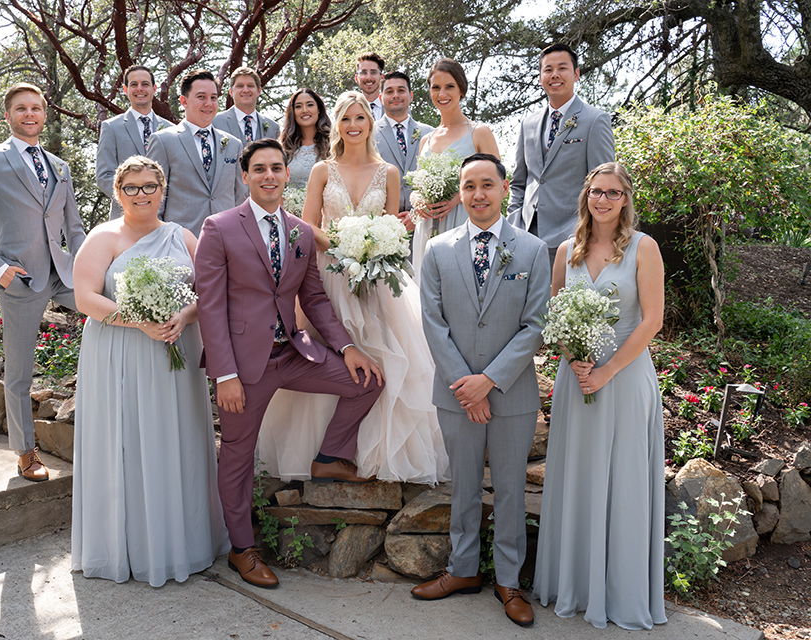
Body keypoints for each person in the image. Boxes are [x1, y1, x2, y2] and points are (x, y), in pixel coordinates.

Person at [193, 138, 385, 588]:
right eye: (258, 169)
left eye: (276, 168)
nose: (269, 176)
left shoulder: (300, 231)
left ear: (286, 174)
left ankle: (330, 456)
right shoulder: (219, 227)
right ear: (245, 176)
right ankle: (242, 549)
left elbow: (313, 298)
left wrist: (345, 347)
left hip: (294, 354)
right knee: (237, 459)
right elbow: (210, 307)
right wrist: (225, 374)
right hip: (242, 368)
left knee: (368, 381)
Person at [256, 92, 450, 485]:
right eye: (346, 119)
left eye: (360, 117)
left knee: (386, 358)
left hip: (377, 278)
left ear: (370, 122)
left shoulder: (390, 172)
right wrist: (344, 245)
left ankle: (373, 456)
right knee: (329, 356)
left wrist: (379, 241)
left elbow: (394, 228)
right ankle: (318, 453)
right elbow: (307, 225)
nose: (353, 125)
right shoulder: (323, 170)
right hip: (329, 273)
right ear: (338, 125)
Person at [70, 156, 229, 587]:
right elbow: (84, 297)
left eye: (149, 187)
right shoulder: (103, 238)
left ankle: (183, 543)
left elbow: (209, 292)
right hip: (119, 352)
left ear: (163, 190)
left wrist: (185, 315)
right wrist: (136, 320)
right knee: (123, 439)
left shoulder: (184, 237)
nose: (141, 195)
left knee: (175, 437)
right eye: (131, 188)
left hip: (175, 352)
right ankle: (126, 547)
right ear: (118, 192)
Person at [414, 153, 549, 629]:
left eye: (487, 184)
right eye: (468, 186)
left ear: (504, 186)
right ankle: (463, 569)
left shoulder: (532, 251)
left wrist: (487, 382)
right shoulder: (439, 250)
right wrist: (465, 388)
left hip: (511, 395)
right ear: (460, 190)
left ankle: (509, 581)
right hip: (454, 393)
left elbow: (535, 325)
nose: (477, 194)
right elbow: (432, 322)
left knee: (511, 490)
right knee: (464, 487)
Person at [533, 162, 666, 630]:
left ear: (625, 198)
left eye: (613, 193)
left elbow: (652, 321)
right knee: (578, 475)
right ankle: (575, 584)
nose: (603, 200)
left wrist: (606, 370)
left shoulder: (643, 248)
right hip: (578, 379)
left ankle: (620, 594)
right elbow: (554, 312)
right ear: (585, 196)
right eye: (596, 192)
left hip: (625, 379)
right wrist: (575, 360)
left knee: (623, 480)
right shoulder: (567, 251)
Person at [0, 82, 86, 482]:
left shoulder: (59, 165)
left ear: (45, 115)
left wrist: (89, 269)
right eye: (21, 109)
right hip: (20, 280)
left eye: (36, 108)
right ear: (8, 116)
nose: (30, 114)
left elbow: (75, 228)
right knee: (20, 373)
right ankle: (26, 452)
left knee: (116, 315)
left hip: (63, 275)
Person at [507, 43, 615, 268]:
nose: (554, 74)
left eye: (562, 68)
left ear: (576, 74)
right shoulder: (528, 123)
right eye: (548, 69)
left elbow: (605, 186)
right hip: (526, 236)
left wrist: (589, 234)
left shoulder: (595, 120)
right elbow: (519, 182)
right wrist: (514, 222)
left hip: (573, 237)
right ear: (540, 77)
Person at [412, 58, 500, 278]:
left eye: (449, 86)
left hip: (465, 220)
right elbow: (417, 185)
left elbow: (496, 182)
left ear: (461, 88)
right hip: (427, 226)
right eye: (436, 87)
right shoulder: (426, 140)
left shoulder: (479, 132)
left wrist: (459, 197)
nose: (442, 94)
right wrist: (417, 199)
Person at [147, 69, 244, 236]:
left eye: (213, 97)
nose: (209, 103)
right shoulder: (163, 141)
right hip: (180, 242)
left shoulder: (233, 144)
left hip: (227, 240)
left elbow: (240, 197)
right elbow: (155, 200)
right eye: (201, 97)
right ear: (184, 101)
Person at [95, 65, 173, 220]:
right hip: (125, 218)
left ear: (154, 88)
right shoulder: (111, 127)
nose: (140, 89)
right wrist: (135, 198)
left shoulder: (171, 129)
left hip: (166, 219)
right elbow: (104, 176)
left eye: (145, 84)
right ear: (125, 89)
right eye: (133, 84)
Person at [373, 71, 434, 232]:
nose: (395, 95)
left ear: (411, 95)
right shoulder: (368, 134)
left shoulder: (430, 133)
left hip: (424, 223)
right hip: (381, 226)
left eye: (401, 90)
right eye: (389, 91)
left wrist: (417, 215)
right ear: (381, 98)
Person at [213, 67, 280, 148]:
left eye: (250, 86)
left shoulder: (273, 127)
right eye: (240, 86)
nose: (245, 90)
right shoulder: (215, 122)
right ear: (231, 92)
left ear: (259, 91)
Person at [278, 88, 331, 190]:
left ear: (319, 109)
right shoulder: (283, 147)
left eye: (310, 105)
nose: (304, 110)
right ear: (293, 112)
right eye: (298, 106)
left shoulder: (334, 143)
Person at [355, 52, 385, 119]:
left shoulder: (394, 108)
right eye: (363, 73)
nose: (368, 77)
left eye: (373, 72)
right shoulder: (350, 109)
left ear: (382, 77)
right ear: (356, 78)